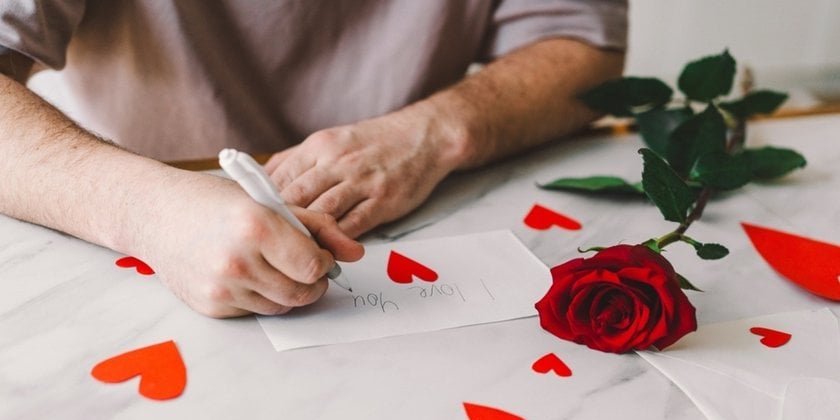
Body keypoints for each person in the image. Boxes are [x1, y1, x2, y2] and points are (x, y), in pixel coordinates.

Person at [0, 1, 627, 317]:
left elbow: (581, 44)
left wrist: (439, 131)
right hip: (141, 228)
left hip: (442, 199)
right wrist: (148, 210)